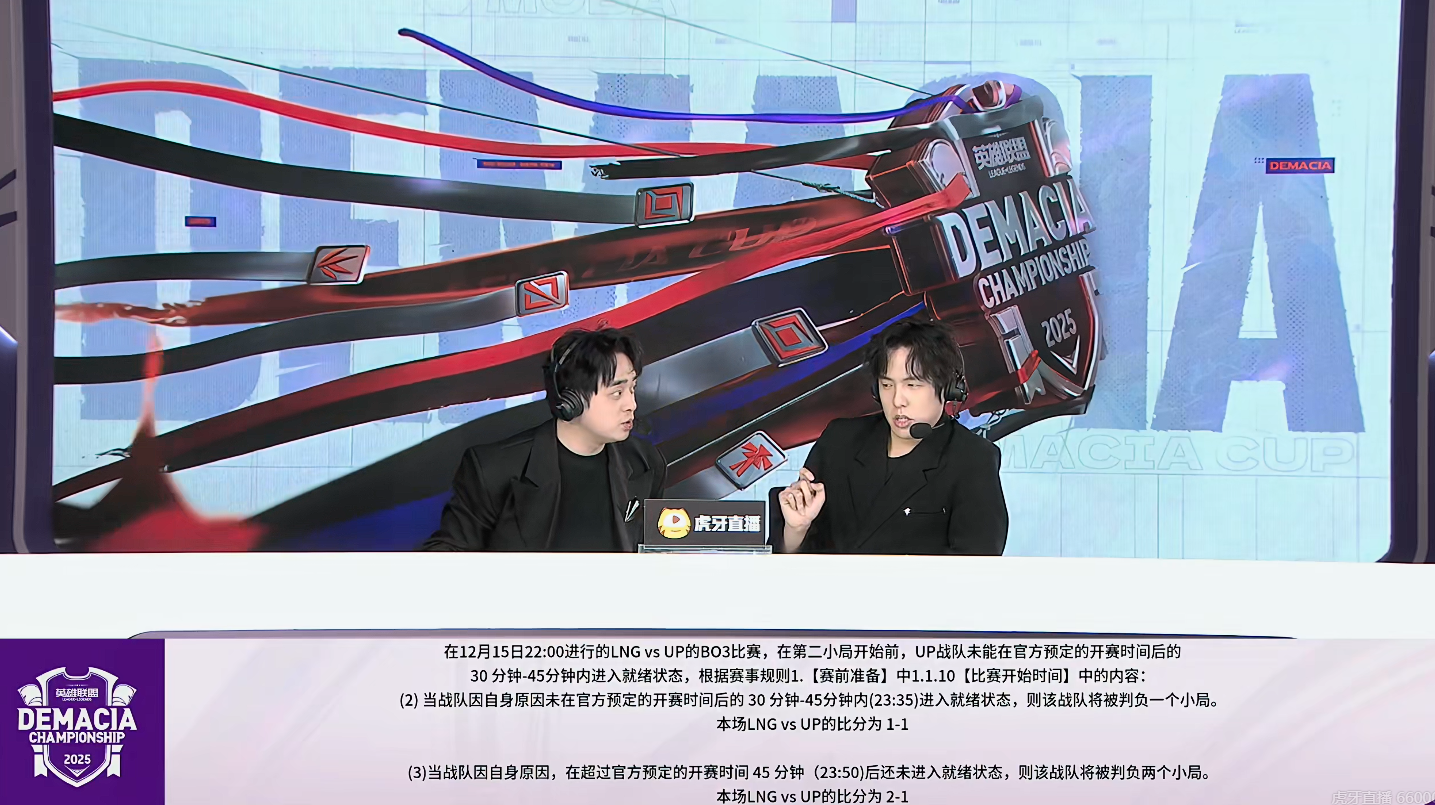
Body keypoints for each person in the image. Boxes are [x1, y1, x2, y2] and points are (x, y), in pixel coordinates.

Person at [419, 327, 666, 551]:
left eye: (632, 389)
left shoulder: (645, 462)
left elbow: (656, 549)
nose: (631, 404)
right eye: (617, 393)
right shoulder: (493, 469)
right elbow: (447, 554)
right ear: (570, 400)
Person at [776, 317, 1008, 555]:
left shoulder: (972, 459)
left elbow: (977, 565)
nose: (897, 400)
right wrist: (796, 530)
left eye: (912, 385)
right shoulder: (839, 440)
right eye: (887, 385)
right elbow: (790, 558)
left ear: (948, 388)